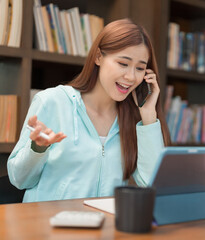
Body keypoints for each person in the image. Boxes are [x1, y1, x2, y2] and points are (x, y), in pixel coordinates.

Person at [7, 18, 170, 202]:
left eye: (140, 68)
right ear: (98, 57)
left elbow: (153, 185)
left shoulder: (133, 119)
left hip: (105, 227)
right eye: (123, 64)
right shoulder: (52, 101)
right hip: (50, 226)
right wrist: (37, 149)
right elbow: (19, 179)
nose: (131, 77)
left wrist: (149, 118)